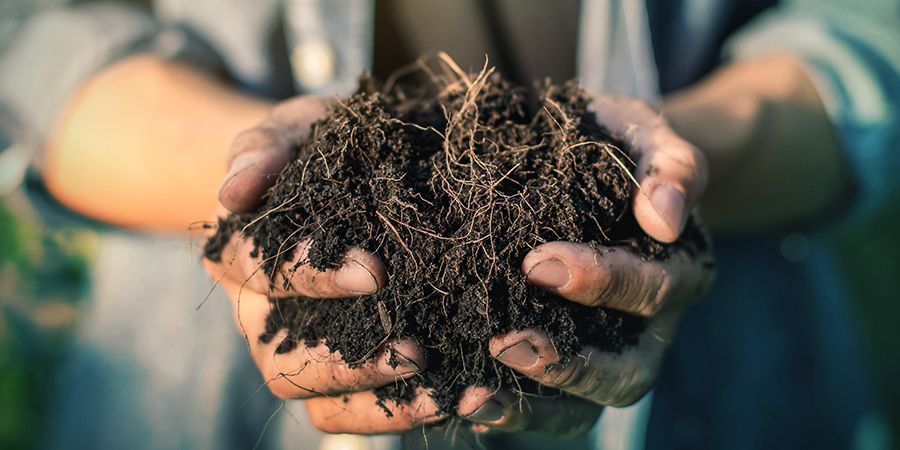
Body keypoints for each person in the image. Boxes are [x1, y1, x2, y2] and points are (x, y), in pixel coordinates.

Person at [1, 0, 897, 449]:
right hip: (193, 395)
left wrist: (675, 169)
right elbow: (32, 39)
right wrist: (261, 180)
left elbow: (866, 31)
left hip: (726, 379)